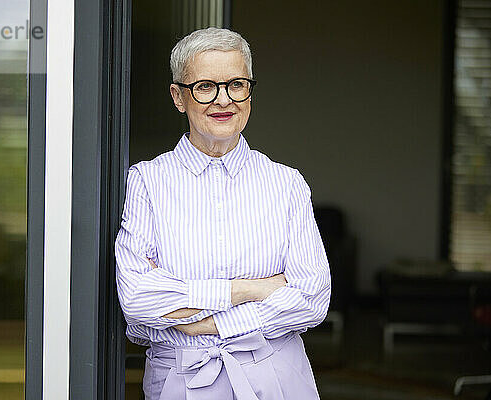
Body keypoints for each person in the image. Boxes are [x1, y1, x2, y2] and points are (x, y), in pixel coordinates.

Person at [115, 27, 331, 400]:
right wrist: (251, 290)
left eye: (235, 84)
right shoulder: (146, 182)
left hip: (276, 379)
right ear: (178, 97)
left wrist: (210, 322)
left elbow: (312, 299)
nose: (223, 100)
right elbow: (137, 297)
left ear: (250, 92)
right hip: (180, 381)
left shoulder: (287, 183)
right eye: (204, 86)